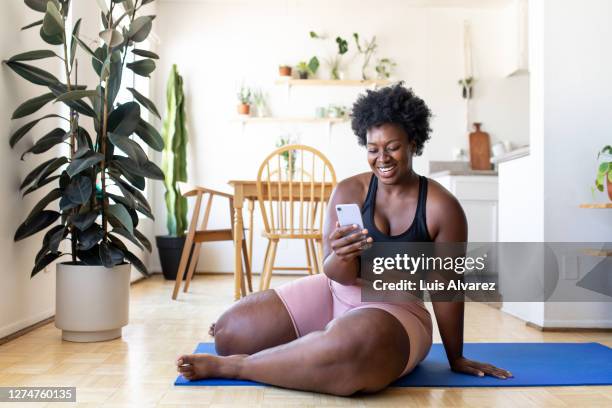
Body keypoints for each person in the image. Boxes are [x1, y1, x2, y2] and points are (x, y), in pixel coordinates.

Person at [176, 83, 512, 396]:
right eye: (373, 149)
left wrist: (456, 357)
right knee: (230, 333)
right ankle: (318, 343)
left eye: (393, 147)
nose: (383, 158)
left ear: (413, 142)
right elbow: (336, 273)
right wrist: (340, 254)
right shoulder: (349, 192)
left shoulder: (442, 207)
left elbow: (446, 288)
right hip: (334, 292)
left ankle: (240, 367)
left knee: (355, 352)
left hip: (395, 311)